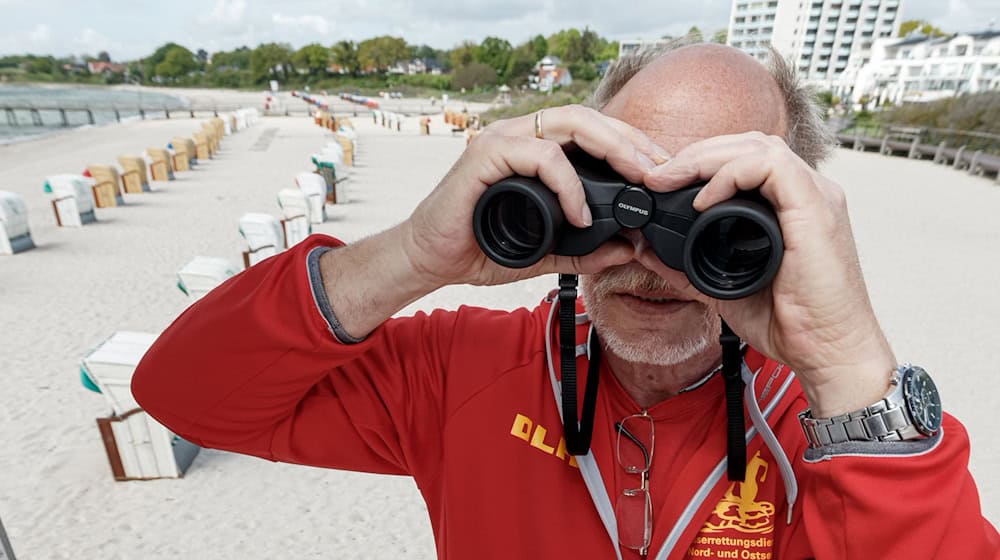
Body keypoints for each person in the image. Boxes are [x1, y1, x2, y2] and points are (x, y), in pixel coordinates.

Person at [132, 43, 999, 559]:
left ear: (792, 219)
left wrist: (848, 363)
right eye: (618, 190)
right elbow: (184, 397)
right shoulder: (458, 370)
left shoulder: (837, 426)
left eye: (710, 213)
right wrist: (410, 254)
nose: (654, 258)